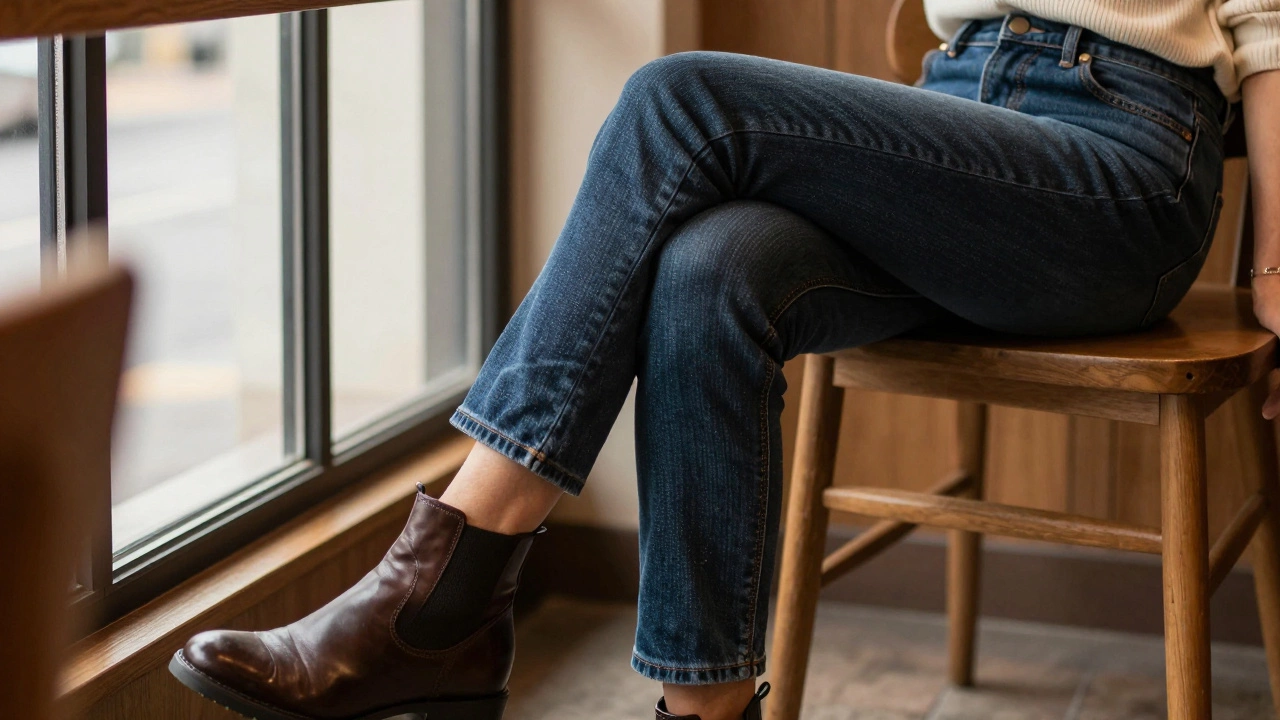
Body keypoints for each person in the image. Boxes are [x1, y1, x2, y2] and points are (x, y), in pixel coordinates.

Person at [167, 2, 1280, 719]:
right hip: (954, 123)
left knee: (674, 99)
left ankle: (443, 587)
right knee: (708, 268)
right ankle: (703, 712)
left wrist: (1274, 268)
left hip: (1121, 161)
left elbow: (1266, 31)